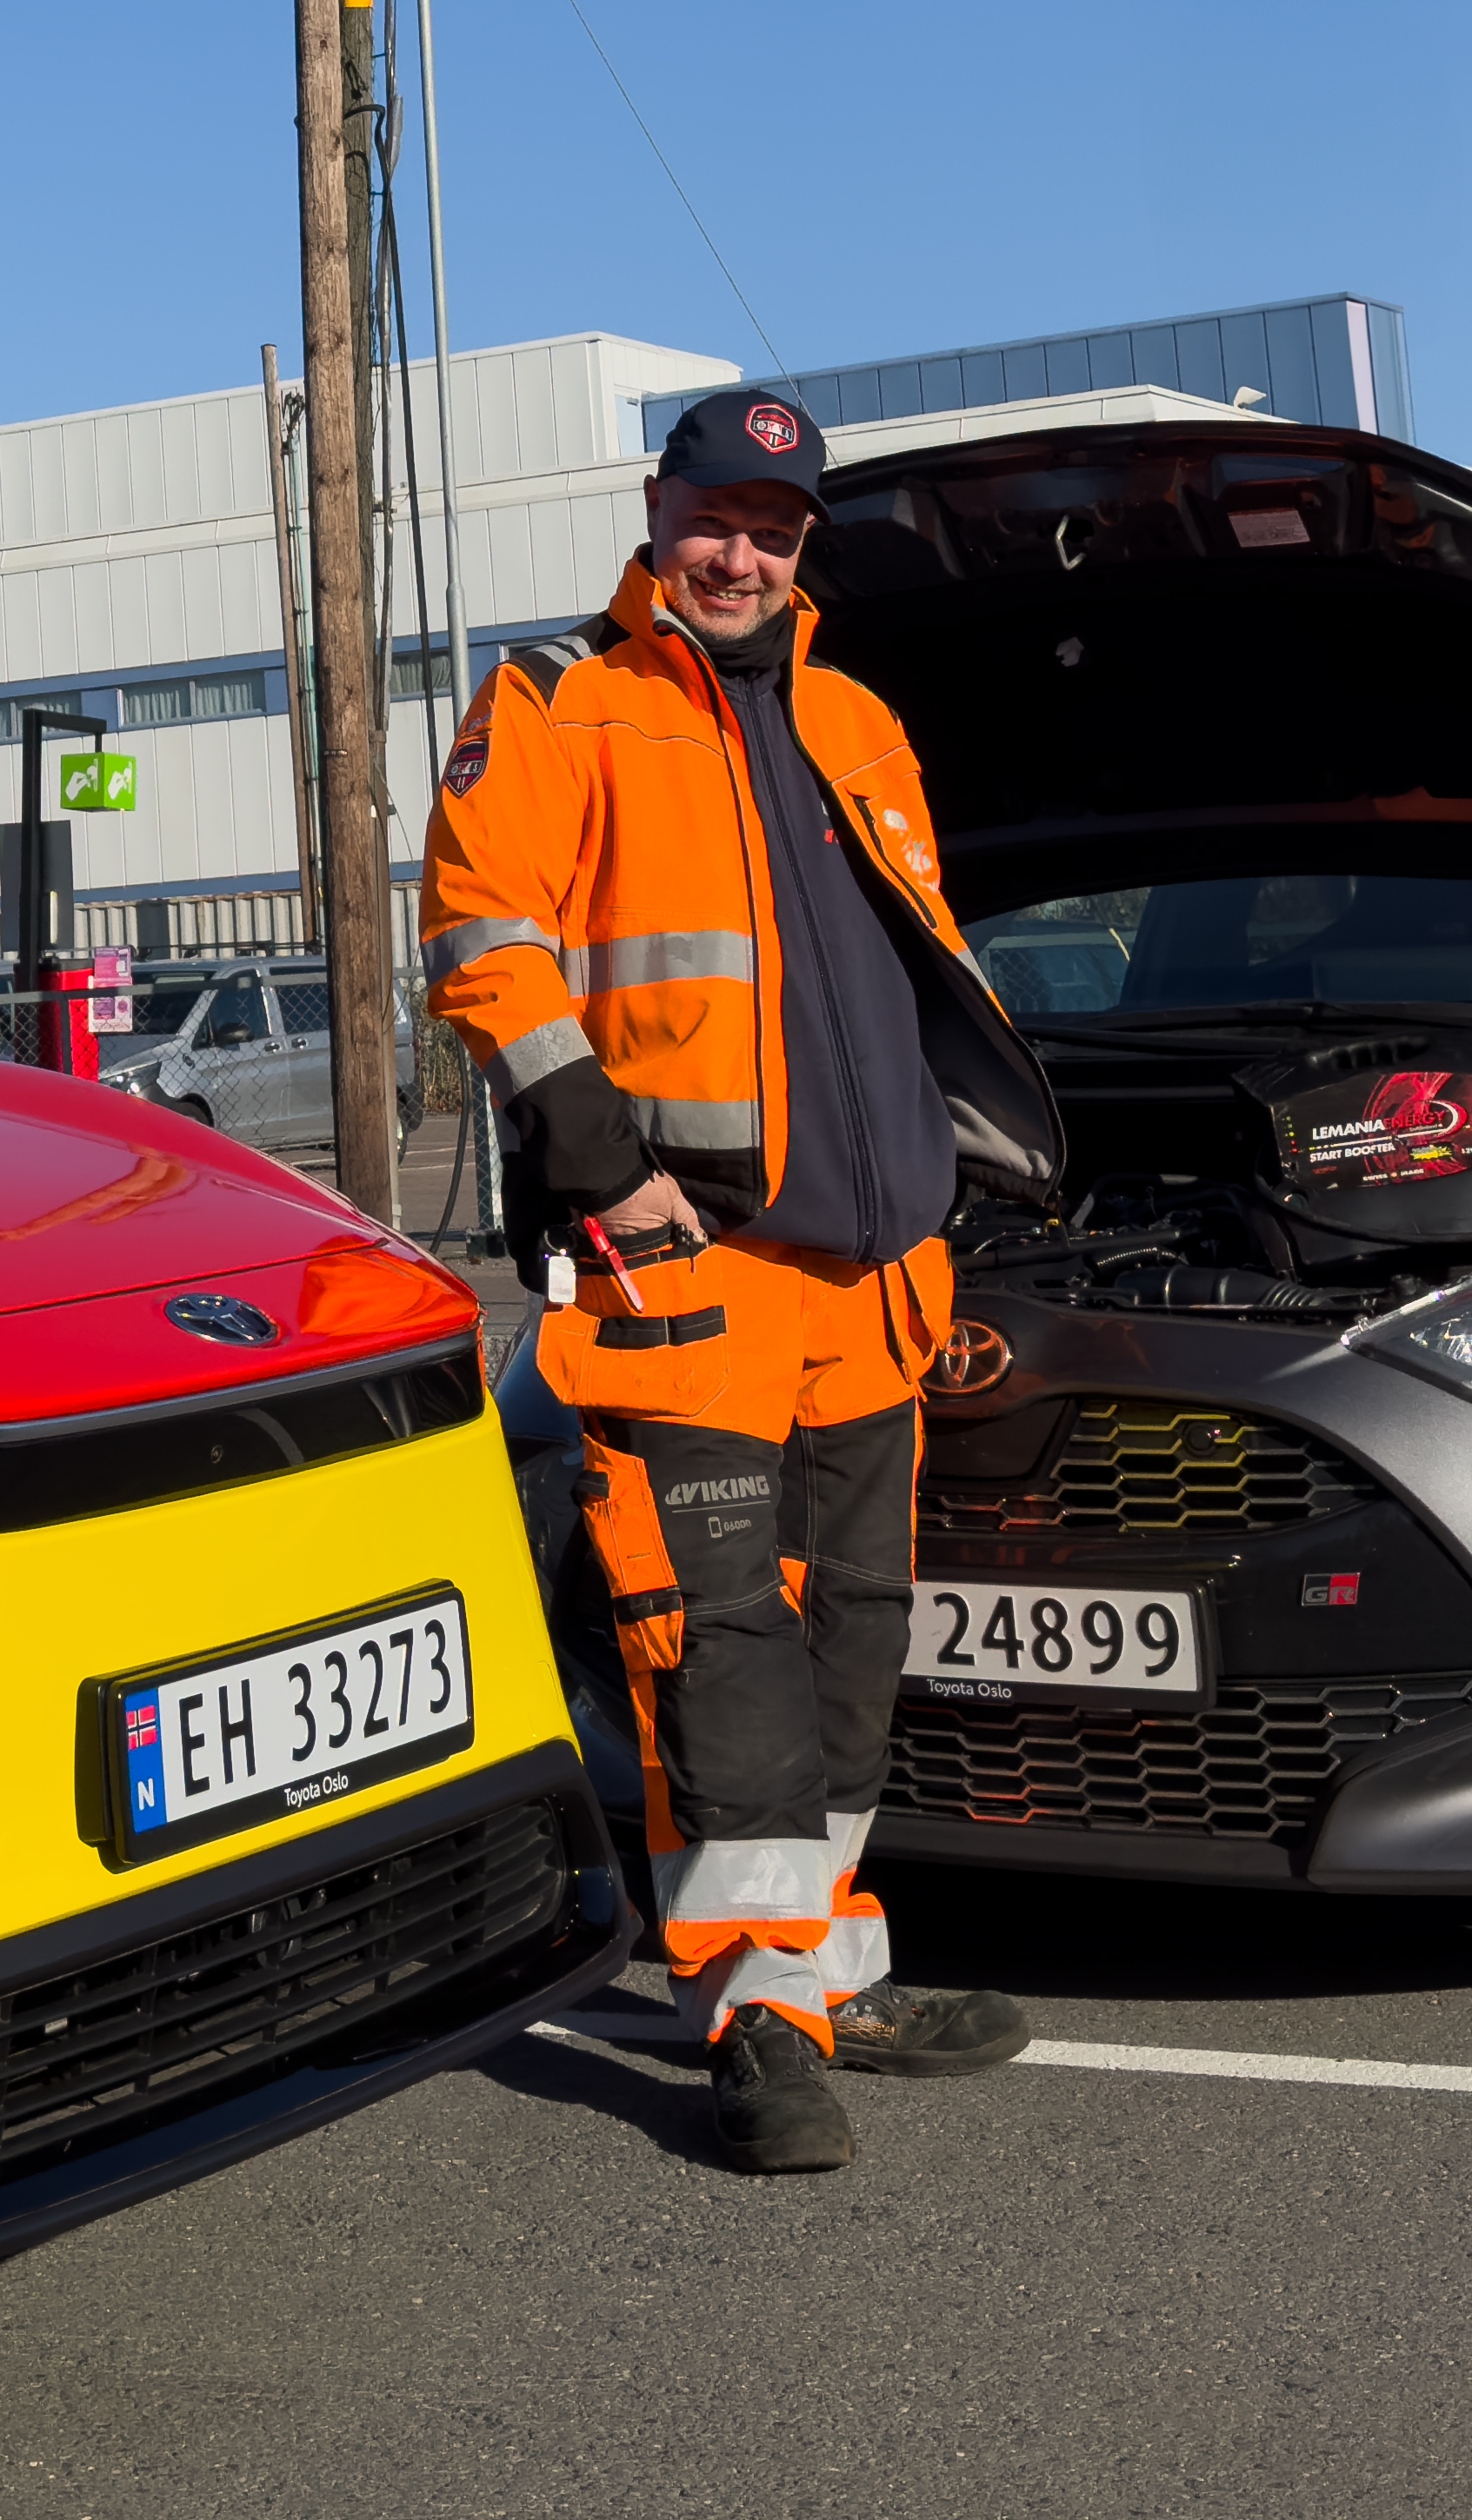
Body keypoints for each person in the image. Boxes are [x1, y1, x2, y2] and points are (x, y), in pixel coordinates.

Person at [422, 389, 1063, 2174]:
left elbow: (912, 966)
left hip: (873, 1283)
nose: (739, 552)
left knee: (856, 1637)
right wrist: (599, 1158)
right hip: (680, 1266)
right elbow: (483, 934)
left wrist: (963, 1174)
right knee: (715, 1649)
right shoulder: (562, 699)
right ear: (659, 510)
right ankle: (747, 2008)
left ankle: (824, 1961)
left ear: (800, 545)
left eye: (773, 529)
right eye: (715, 516)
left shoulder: (858, 714)